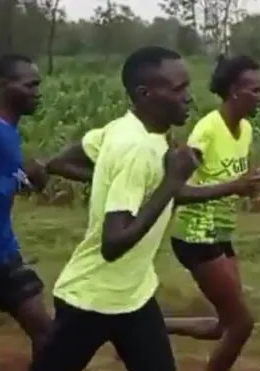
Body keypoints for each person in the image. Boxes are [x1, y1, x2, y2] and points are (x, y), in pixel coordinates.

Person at [28, 46, 199, 371]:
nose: (188, 96)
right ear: (145, 93)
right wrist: (170, 182)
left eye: (187, 86)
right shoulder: (135, 147)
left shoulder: (126, 127)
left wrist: (110, 180)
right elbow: (113, 244)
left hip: (134, 294)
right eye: (178, 89)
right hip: (93, 299)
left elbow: (63, 161)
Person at [162, 54, 260, 371]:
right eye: (255, 90)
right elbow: (175, 191)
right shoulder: (206, 130)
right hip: (195, 235)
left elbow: (229, 179)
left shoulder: (245, 129)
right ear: (235, 90)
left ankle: (151, 326)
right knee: (242, 324)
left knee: (227, 324)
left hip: (221, 232)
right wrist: (235, 187)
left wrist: (253, 181)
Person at [0, 53, 52, 358]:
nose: (37, 92)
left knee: (46, 334)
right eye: (30, 85)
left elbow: (6, 182)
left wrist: (30, 180)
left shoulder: (6, 131)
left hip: (0, 257)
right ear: (4, 86)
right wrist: (16, 181)